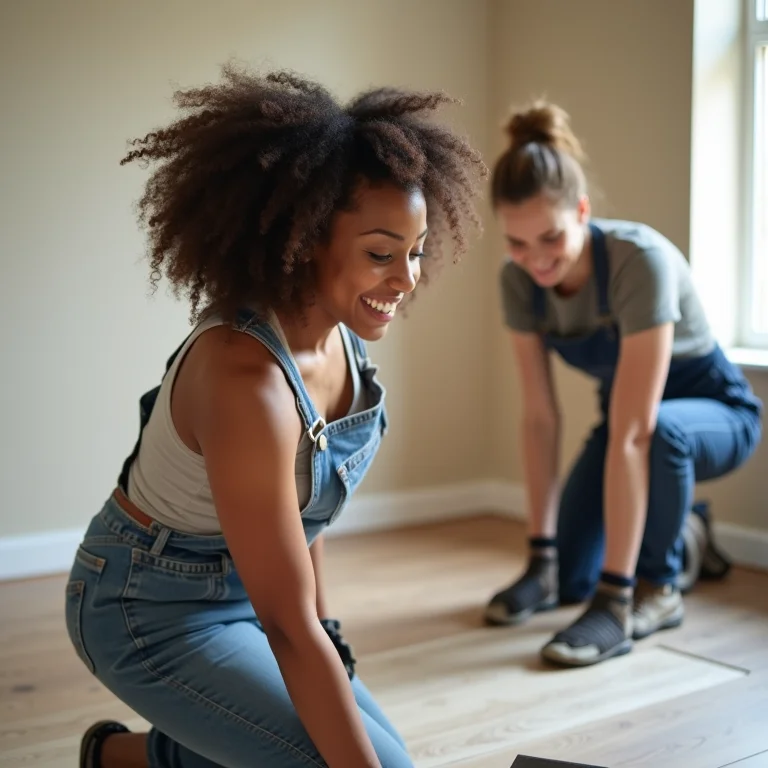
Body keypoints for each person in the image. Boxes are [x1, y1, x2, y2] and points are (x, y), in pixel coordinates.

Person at [65, 63, 486, 768]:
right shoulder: (246, 381)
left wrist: (326, 627)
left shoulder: (339, 333)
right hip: (143, 607)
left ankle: (124, 761)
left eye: (415, 253)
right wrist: (310, 637)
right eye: (381, 254)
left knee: (378, 753)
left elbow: (301, 517)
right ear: (308, 235)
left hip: (253, 594)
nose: (406, 280)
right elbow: (286, 625)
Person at [483, 101, 762, 667]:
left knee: (658, 437)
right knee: (572, 576)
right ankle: (689, 535)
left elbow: (636, 432)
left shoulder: (640, 262)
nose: (536, 260)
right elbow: (540, 418)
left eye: (551, 238)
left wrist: (615, 600)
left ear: (582, 211)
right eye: (517, 243)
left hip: (713, 415)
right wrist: (542, 556)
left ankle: (657, 588)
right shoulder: (518, 283)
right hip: (628, 426)